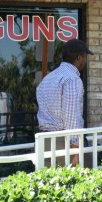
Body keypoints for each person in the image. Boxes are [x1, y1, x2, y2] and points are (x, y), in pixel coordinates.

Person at [36, 38, 93, 166]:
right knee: (87, 181)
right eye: (85, 57)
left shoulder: (48, 79)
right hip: (64, 142)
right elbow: (71, 116)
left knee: (50, 183)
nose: (85, 61)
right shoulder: (72, 79)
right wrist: (75, 148)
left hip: (44, 141)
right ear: (79, 58)